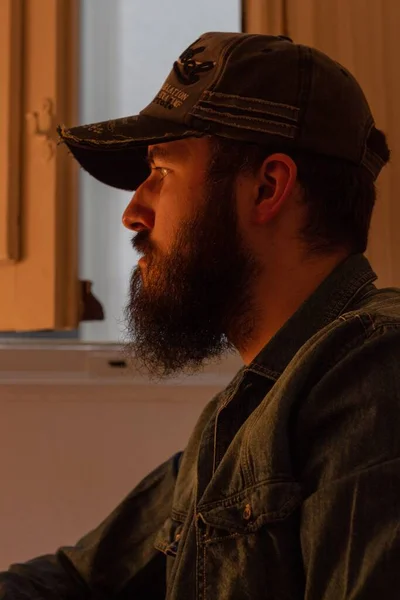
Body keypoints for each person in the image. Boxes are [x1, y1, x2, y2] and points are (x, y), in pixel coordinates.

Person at [1, 31, 399, 599]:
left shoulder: (376, 371)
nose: (134, 213)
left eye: (161, 172)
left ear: (267, 187)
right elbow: (75, 580)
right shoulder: (236, 421)